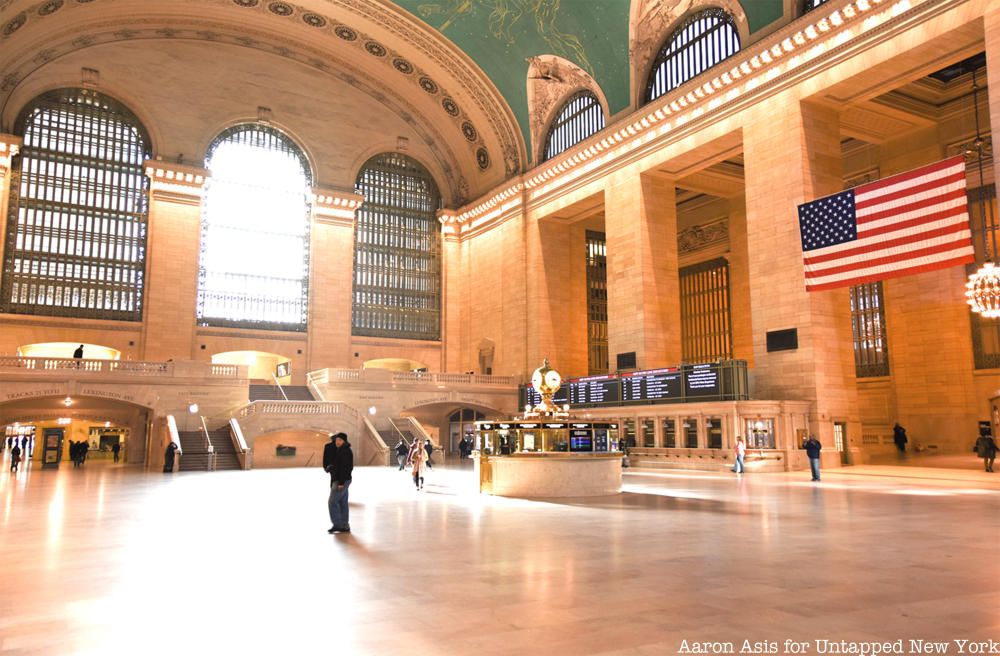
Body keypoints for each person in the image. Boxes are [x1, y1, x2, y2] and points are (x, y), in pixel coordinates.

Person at [323, 432, 353, 534]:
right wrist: (330, 467)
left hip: (341, 480)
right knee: (342, 502)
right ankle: (344, 525)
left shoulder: (345, 451)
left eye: (340, 440)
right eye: (336, 440)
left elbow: (346, 468)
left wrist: (341, 482)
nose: (337, 442)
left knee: (332, 502)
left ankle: (338, 525)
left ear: (344, 441)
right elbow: (339, 465)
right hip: (343, 479)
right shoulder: (342, 450)